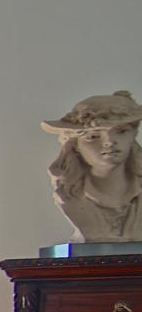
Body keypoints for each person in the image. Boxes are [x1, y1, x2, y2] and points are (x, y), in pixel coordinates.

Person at [43, 90, 142, 242]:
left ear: (133, 136)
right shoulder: (70, 197)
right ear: (75, 145)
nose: (109, 141)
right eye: (93, 136)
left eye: (121, 132)